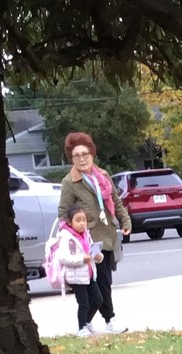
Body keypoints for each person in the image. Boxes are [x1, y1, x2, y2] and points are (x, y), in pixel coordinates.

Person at [58, 132, 131, 334]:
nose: (82, 159)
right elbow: (63, 214)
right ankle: (108, 320)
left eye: (85, 154)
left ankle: (89, 322)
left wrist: (125, 220)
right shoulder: (69, 182)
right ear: (71, 158)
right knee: (99, 284)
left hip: (107, 237)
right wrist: (76, 233)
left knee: (105, 282)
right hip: (87, 242)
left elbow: (115, 202)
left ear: (92, 154)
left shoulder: (103, 175)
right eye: (77, 155)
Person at [51, 205, 103, 337]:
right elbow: (63, 258)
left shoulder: (86, 234)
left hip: (89, 274)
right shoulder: (66, 237)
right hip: (76, 277)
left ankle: (87, 322)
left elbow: (92, 252)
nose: (82, 223)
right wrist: (81, 259)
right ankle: (81, 328)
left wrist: (98, 256)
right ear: (70, 222)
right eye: (78, 220)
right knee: (84, 303)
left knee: (98, 300)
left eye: (84, 220)